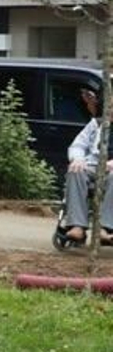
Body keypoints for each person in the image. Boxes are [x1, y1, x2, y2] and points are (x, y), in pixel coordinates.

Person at [61, 86, 113, 246]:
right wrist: (77, 159)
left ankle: (106, 228)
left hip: (111, 172)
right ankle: (77, 226)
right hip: (93, 166)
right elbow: (77, 146)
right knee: (75, 171)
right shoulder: (96, 124)